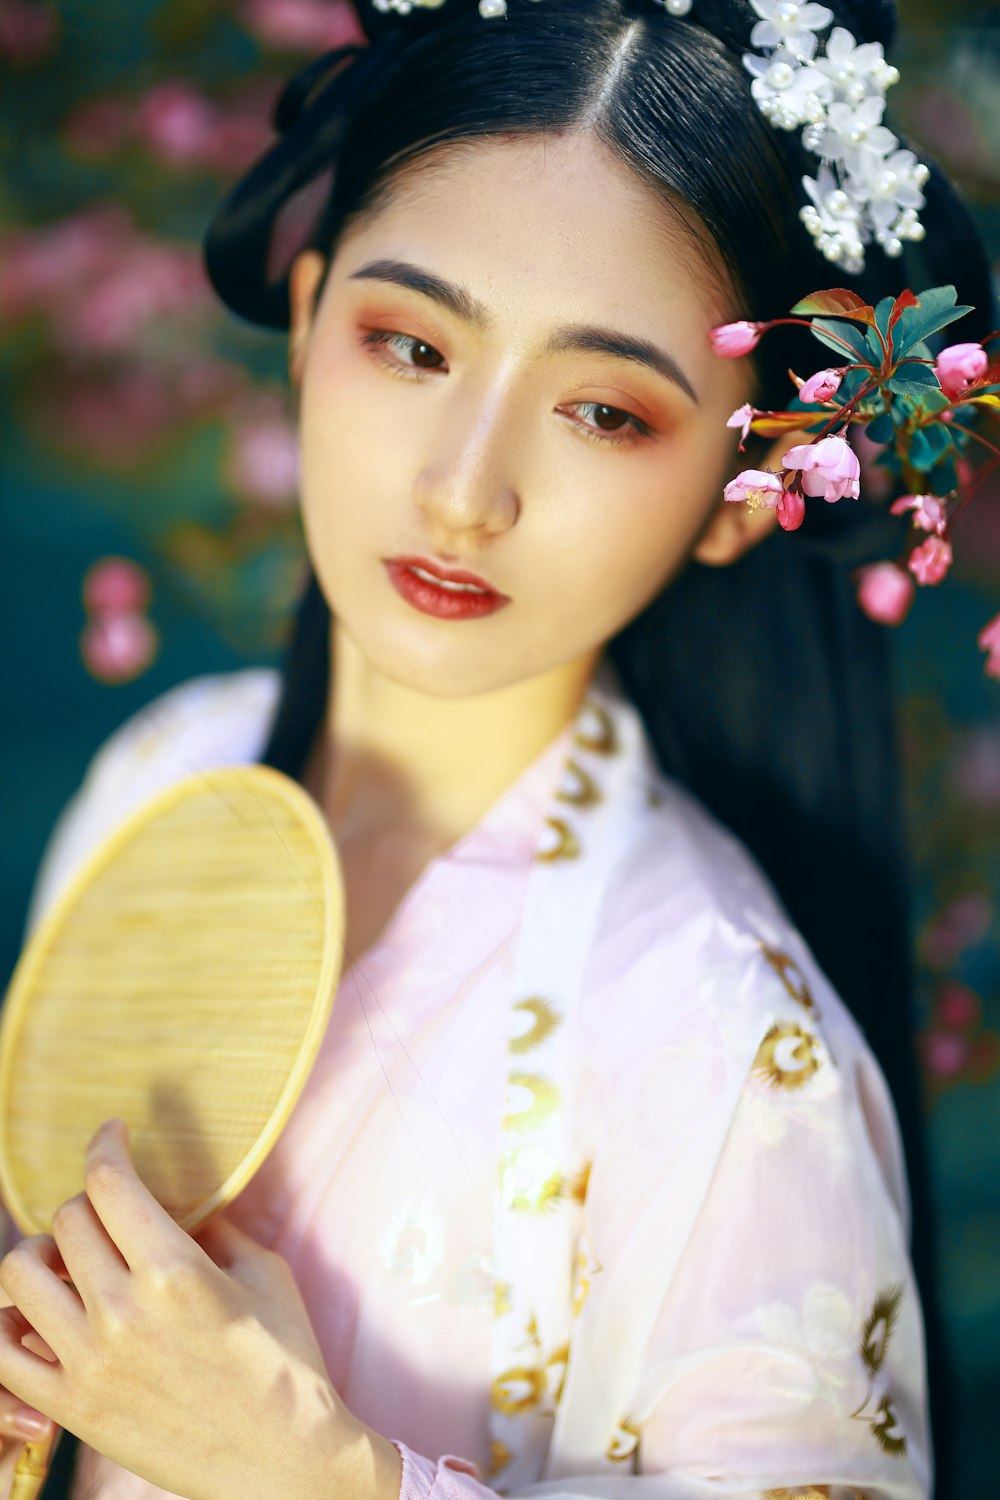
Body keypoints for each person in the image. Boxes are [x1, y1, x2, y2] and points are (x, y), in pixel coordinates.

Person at [0, 0, 993, 1495]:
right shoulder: (160, 776)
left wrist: (314, 1468)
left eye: (602, 410)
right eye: (408, 344)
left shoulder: (724, 1036)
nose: (467, 491)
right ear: (309, 321)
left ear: (749, 482)